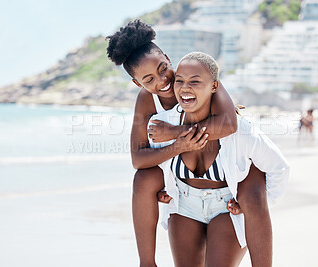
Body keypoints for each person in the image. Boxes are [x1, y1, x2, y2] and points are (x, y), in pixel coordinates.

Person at [106, 20, 280, 266]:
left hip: (225, 194)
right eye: (149, 79)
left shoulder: (197, 78)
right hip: (184, 194)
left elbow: (229, 124)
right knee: (143, 178)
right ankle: (147, 262)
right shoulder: (147, 101)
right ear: (138, 84)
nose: (162, 80)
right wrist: (178, 145)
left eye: (163, 68)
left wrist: (175, 131)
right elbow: (138, 158)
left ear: (167, 57)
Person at [148, 52, 289, 266]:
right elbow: (148, 164)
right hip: (184, 206)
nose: (185, 88)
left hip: (227, 208)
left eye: (195, 82)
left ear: (214, 86)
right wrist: (159, 189)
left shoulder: (240, 131)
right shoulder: (163, 123)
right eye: (180, 81)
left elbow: (279, 168)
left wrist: (254, 206)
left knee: (254, 184)